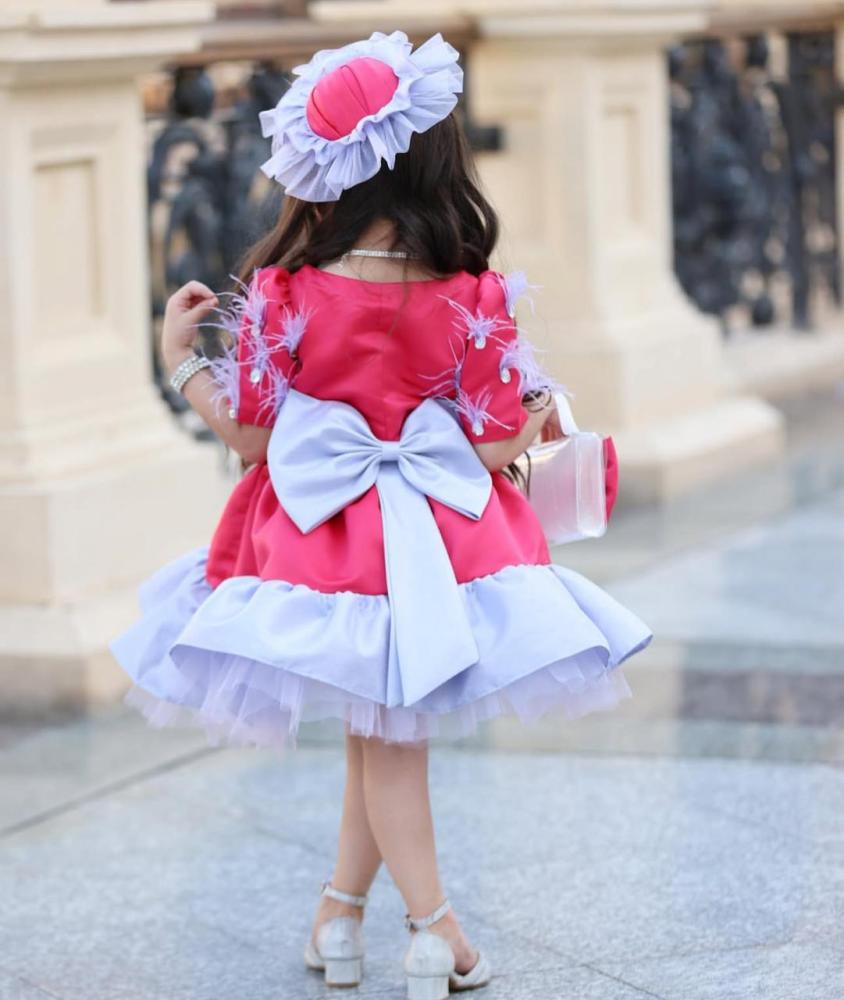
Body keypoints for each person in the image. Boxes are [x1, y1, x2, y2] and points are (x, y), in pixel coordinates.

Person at [111, 30, 653, 999]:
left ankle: (343, 917)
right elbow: (489, 450)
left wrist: (182, 362)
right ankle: (435, 930)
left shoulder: (284, 293)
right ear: (432, 160)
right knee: (392, 738)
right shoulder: (472, 293)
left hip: (319, 545)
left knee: (380, 734)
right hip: (440, 544)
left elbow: (252, 439)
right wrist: (532, 416)